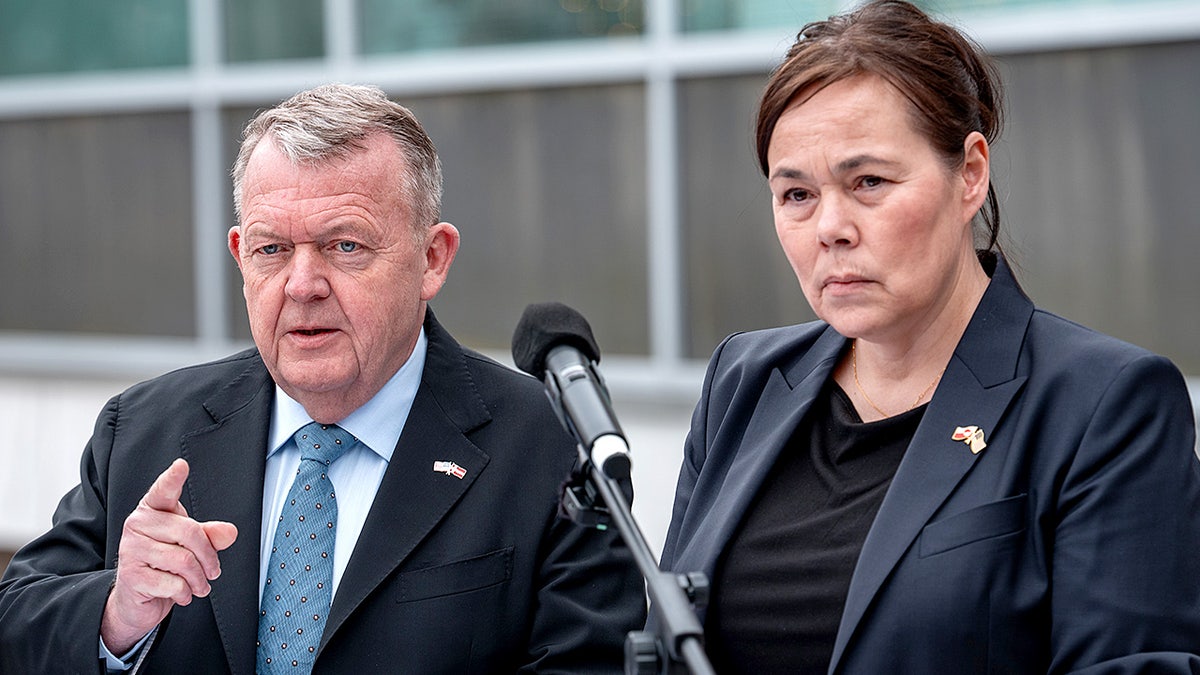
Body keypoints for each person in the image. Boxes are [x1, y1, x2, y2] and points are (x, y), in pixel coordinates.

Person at [0, 83, 645, 673]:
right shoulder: (143, 430)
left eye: (345, 246)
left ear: (431, 258)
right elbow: (16, 626)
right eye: (272, 249)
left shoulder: (550, 446)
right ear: (241, 257)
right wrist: (118, 615)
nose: (302, 285)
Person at [657, 1, 1200, 672]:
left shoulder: (1103, 405)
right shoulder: (743, 380)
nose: (830, 228)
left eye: (868, 182)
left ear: (970, 173)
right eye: (797, 195)